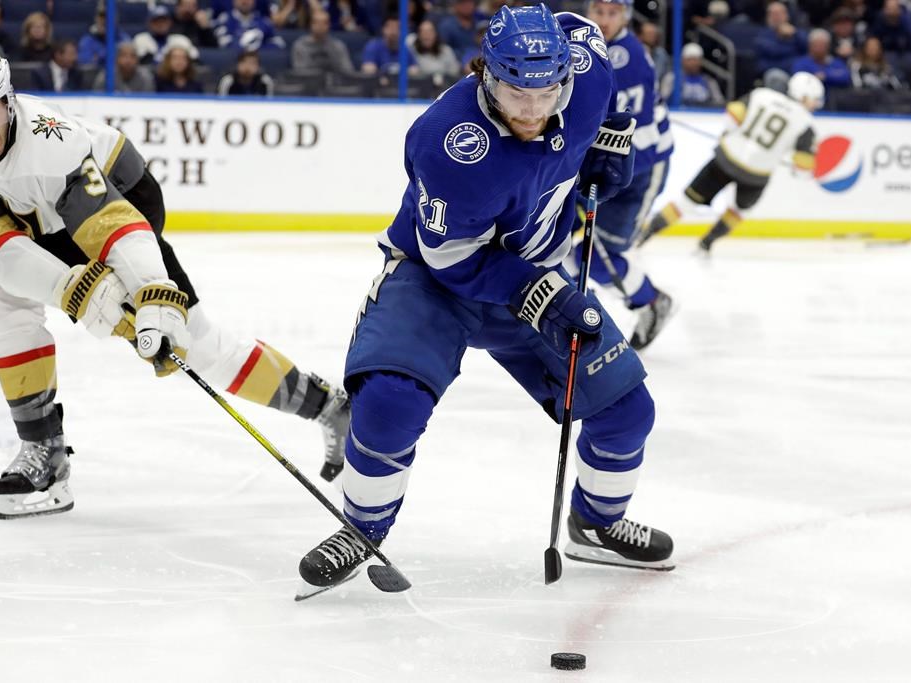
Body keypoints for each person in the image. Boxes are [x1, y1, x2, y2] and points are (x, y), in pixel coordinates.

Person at [296, 5, 674, 598]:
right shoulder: (447, 142)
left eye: (546, 92)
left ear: (566, 78)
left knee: (627, 412)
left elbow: (581, 25)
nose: (531, 110)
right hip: (436, 279)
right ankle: (362, 527)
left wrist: (607, 135)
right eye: (513, 91)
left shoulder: (588, 72)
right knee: (390, 403)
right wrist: (541, 293)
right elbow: (452, 258)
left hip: (539, 266)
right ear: (486, 76)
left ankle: (595, 523)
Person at [0, 42, 349, 520]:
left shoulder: (53, 141)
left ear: (8, 98)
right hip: (38, 222)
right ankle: (44, 451)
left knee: (198, 345)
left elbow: (113, 224)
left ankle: (326, 404)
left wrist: (154, 296)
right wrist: (74, 291)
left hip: (124, 200)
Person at [570, 0, 676, 351]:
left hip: (636, 170)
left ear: (625, 16)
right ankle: (572, 314)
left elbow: (628, 136)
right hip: (606, 165)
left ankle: (651, 302)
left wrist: (597, 179)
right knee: (571, 253)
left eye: (613, 13)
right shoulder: (590, 44)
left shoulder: (625, 58)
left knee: (599, 257)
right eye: (599, 11)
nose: (604, 19)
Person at [637, 72, 823, 254]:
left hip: (726, 159)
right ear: (803, 96)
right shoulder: (806, 123)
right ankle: (706, 243)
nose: (815, 104)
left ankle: (644, 235)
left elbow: (732, 117)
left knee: (686, 202)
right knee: (739, 211)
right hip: (756, 175)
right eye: (814, 99)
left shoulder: (761, 95)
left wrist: (729, 135)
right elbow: (802, 170)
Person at [290, 10, 355, 76]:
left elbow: (348, 71)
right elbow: (299, 73)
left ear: (329, 25)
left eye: (324, 23)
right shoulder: (300, 45)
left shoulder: (338, 46)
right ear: (311, 24)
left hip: (334, 83)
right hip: (310, 83)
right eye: (317, 22)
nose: (320, 26)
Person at [660, 42, 724, 107]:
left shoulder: (709, 81)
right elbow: (662, 100)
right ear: (683, 60)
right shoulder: (672, 78)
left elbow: (719, 103)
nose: (693, 63)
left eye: (696, 60)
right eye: (690, 59)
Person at [92, 42, 156, 93]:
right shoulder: (106, 76)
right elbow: (98, 99)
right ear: (116, 59)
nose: (128, 60)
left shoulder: (145, 77)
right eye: (124, 56)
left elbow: (148, 103)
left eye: (132, 56)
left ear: (138, 60)